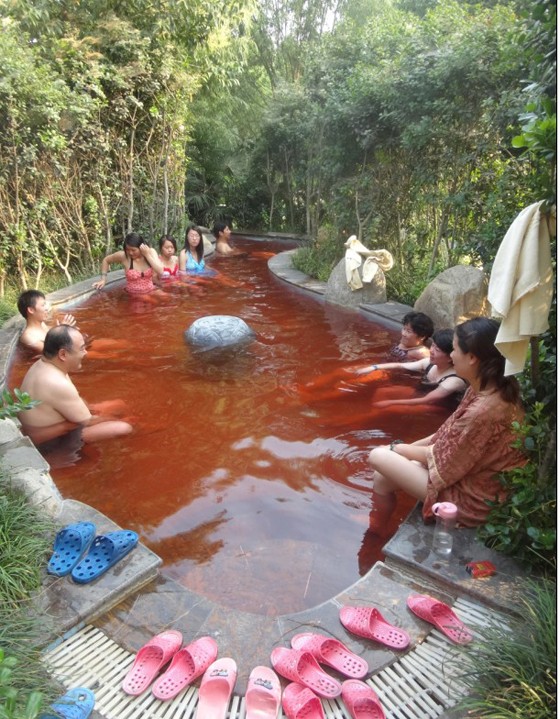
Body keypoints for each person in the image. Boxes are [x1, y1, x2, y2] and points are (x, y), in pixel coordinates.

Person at [366, 317, 526, 533]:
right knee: (382, 474)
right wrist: (402, 450)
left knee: (377, 456)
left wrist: (395, 448)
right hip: (468, 476)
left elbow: (444, 461)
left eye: (455, 350)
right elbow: (444, 434)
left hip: (473, 500)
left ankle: (377, 529)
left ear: (472, 358)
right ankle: (377, 527)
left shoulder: (484, 410)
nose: (451, 356)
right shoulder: (484, 388)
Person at [17, 325, 132, 447]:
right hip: (52, 442)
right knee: (124, 427)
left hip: (52, 428)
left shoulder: (42, 365)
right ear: (63, 354)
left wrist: (95, 412)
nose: (85, 353)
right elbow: (87, 421)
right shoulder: (56, 383)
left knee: (119, 404)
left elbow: (75, 405)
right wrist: (122, 419)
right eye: (82, 349)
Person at [92, 233, 164, 295]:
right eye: (127, 249)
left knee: (166, 298)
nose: (130, 253)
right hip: (133, 295)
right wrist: (103, 279)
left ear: (141, 247)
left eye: (133, 250)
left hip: (150, 290)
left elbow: (160, 271)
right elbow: (106, 260)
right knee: (151, 301)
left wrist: (147, 255)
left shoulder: (150, 252)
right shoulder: (123, 256)